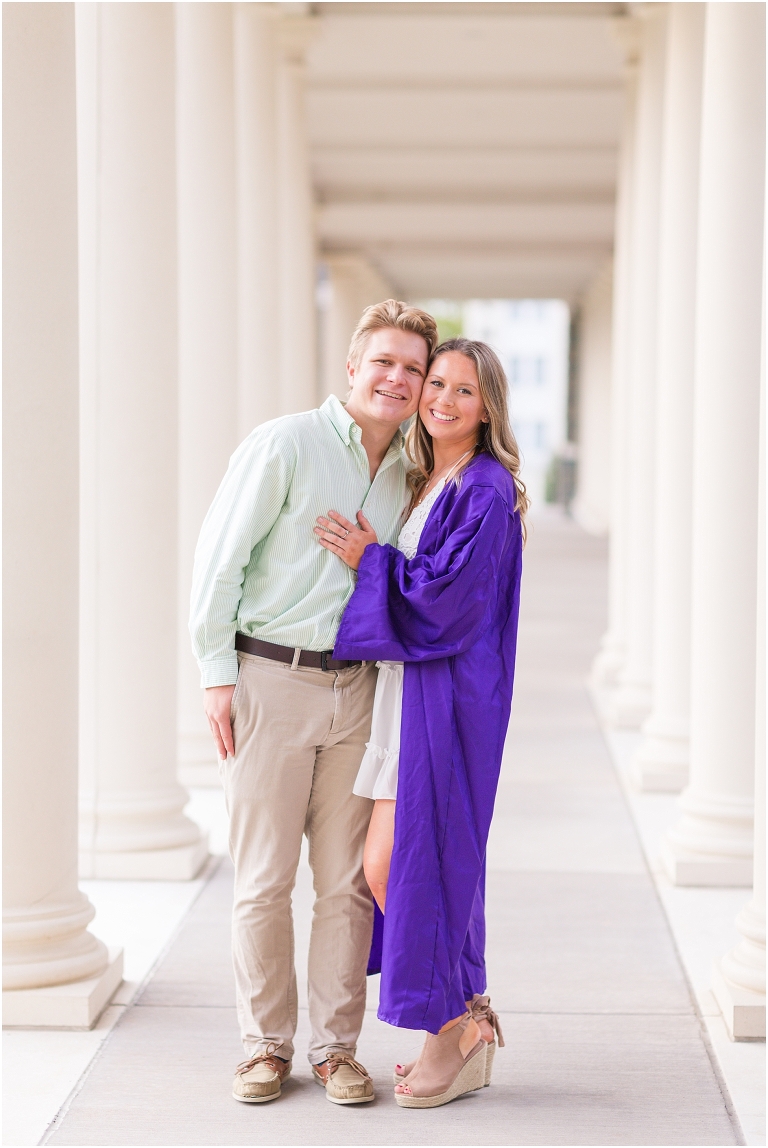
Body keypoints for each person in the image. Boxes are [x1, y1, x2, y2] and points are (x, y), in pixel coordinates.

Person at [189, 300, 438, 1106]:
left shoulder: (410, 472)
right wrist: (216, 672)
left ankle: (336, 1051)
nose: (398, 380)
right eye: (386, 363)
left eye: (414, 369)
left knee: (345, 885)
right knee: (262, 878)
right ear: (353, 367)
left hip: (360, 690)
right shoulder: (286, 442)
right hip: (272, 680)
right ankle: (265, 1046)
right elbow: (221, 558)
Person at [314, 336, 526, 1109]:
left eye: (463, 390)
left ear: (488, 405)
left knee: (409, 864)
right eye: (435, 382)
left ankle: (454, 1031)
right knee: (399, 866)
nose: (441, 398)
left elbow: (450, 603)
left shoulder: (486, 489)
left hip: (448, 697)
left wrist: (372, 562)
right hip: (408, 693)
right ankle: (463, 1020)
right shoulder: (426, 479)